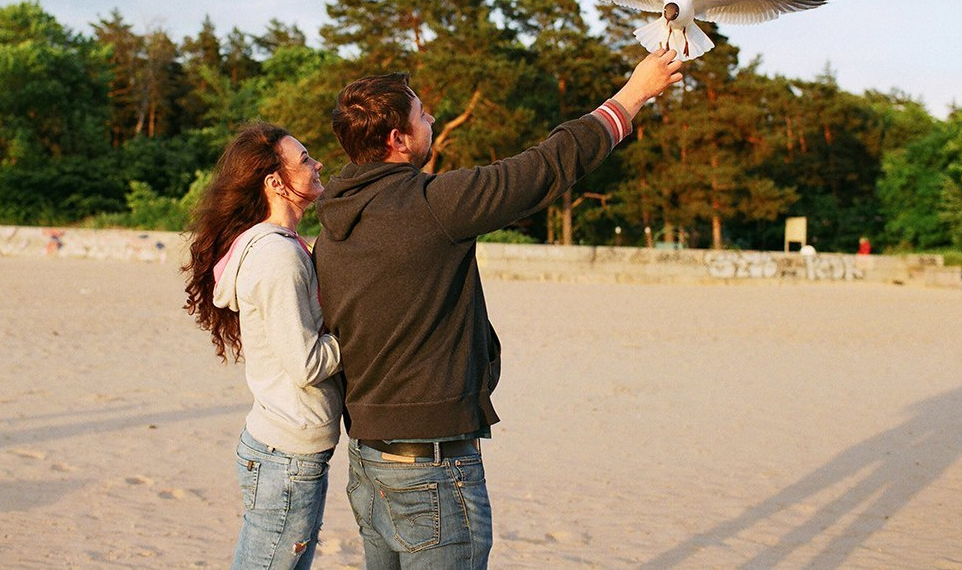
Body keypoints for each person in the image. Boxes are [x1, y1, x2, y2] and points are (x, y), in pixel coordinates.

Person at [313, 48, 684, 567]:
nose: (432, 120)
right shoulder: (431, 205)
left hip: (368, 460)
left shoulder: (330, 230)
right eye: (422, 115)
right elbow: (545, 167)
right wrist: (634, 94)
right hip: (433, 467)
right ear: (397, 139)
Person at [182, 122, 343, 570]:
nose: (318, 163)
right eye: (305, 159)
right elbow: (306, 363)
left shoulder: (279, 245)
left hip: (283, 448)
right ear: (276, 182)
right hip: (287, 455)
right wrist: (366, 335)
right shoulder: (277, 257)